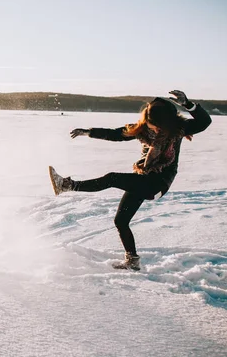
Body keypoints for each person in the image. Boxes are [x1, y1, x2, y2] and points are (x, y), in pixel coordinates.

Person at [48, 90, 211, 270]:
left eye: (157, 126)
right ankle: (132, 261)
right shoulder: (142, 129)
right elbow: (116, 134)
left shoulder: (179, 129)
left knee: (111, 178)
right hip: (142, 180)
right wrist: (88, 132)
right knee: (120, 221)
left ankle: (67, 185)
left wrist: (188, 104)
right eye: (150, 124)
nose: (153, 129)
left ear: (166, 122)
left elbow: (205, 122)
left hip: (158, 184)